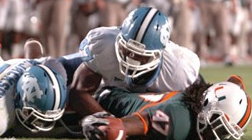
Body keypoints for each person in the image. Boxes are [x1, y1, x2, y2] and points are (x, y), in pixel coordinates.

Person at [69, 6, 200, 118]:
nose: (131, 58)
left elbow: (196, 103)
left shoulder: (179, 67)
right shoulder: (104, 46)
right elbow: (78, 92)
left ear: (158, 55)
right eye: (127, 50)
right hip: (109, 92)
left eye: (140, 56)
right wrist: (107, 121)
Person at [81, 75, 252, 140]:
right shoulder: (180, 121)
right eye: (219, 126)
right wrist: (116, 126)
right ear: (206, 104)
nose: (218, 134)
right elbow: (139, 122)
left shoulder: (196, 95)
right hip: (101, 97)